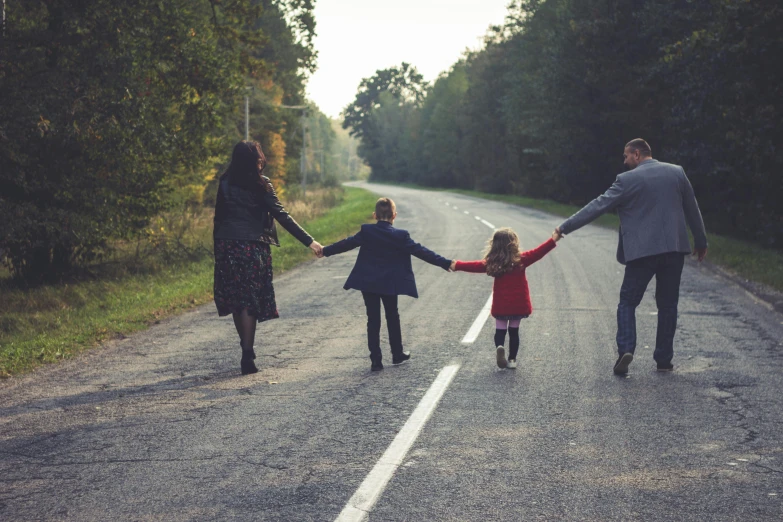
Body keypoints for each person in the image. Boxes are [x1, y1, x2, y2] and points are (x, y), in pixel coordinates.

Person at [555, 138, 708, 375]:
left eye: (626, 156)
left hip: (642, 254)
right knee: (668, 305)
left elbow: (598, 206)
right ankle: (664, 360)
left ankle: (626, 349)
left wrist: (565, 227)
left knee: (628, 301)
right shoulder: (677, 173)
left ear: (637, 154)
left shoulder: (626, 180)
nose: (624, 161)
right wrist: (701, 242)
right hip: (674, 251)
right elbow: (692, 208)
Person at [213, 141, 322, 375]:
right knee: (249, 300)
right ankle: (247, 353)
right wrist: (310, 241)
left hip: (227, 245)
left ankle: (246, 348)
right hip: (252, 247)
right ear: (256, 159)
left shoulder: (225, 183)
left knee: (236, 298)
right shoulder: (262, 184)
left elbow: (218, 218)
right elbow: (282, 216)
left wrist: (218, 250)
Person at [319, 197, 453, 371]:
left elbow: (347, 243)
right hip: (390, 284)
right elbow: (422, 251)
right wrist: (445, 262)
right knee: (392, 316)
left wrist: (325, 251)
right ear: (394, 216)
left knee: (373, 319)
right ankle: (397, 354)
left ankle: (376, 360)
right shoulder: (401, 235)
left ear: (374, 215)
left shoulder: (367, 231)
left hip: (368, 283)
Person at [451, 228, 559, 369]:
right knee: (514, 332)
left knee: (500, 330)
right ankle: (512, 360)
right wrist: (553, 239)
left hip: (501, 305)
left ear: (494, 245)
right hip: (518, 304)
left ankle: (500, 346)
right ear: (513, 244)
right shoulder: (521, 260)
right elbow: (539, 252)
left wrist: (456, 265)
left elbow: (474, 266)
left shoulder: (492, 263)